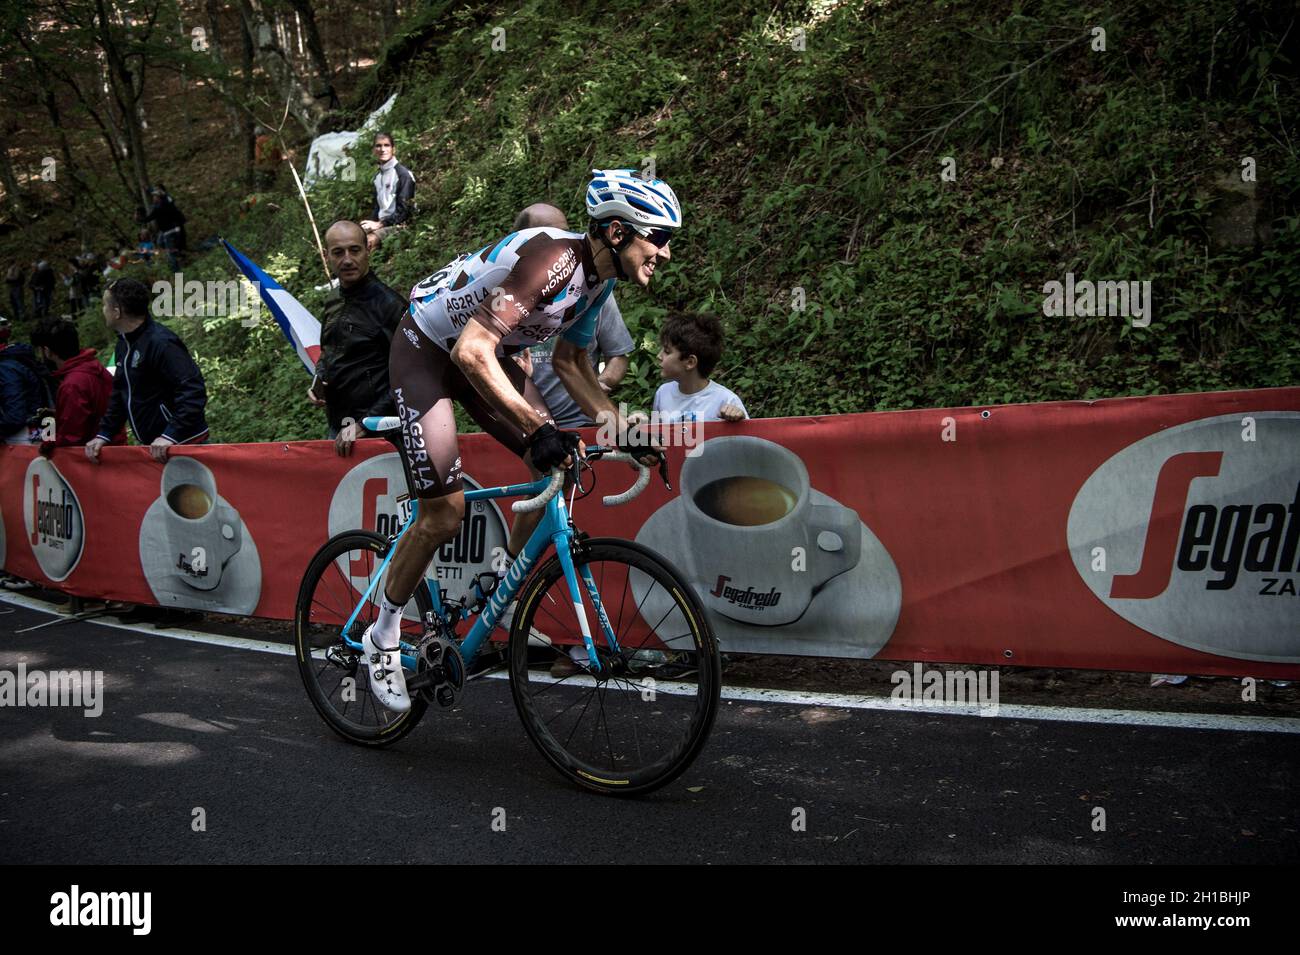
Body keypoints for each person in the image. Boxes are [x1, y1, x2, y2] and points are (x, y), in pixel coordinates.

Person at [362, 169, 679, 711]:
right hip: (429, 351)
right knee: (445, 513)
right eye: (661, 238)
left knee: (550, 471)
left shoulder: (597, 283)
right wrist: (538, 428)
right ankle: (382, 637)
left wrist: (625, 432)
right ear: (620, 233)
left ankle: (496, 582)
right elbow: (468, 352)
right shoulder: (553, 263)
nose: (667, 254)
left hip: (486, 355)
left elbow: (573, 363)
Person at [517, 204, 635, 428]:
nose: (562, 243)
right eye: (551, 236)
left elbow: (618, 356)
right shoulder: (511, 293)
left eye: (565, 234)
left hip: (585, 422)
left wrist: (597, 389)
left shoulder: (595, 289)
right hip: (527, 425)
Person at [307, 220, 406, 456]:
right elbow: (329, 351)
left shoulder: (390, 306)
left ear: (368, 249)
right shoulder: (333, 298)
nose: (348, 260)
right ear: (326, 256)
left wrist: (365, 424)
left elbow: (410, 374)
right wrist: (319, 378)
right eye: (338, 252)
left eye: (355, 250)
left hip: (381, 433)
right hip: (339, 427)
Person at [85, 278, 209, 463]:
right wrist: (104, 434)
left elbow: (193, 390)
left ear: (117, 312)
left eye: (104, 305)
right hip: (154, 448)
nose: (103, 310)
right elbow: (120, 392)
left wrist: (170, 434)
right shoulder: (123, 344)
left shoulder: (162, 343)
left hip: (183, 445)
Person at [30, 318, 125, 453]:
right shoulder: (94, 367)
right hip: (114, 450)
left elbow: (71, 437)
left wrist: (46, 439)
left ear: (47, 351)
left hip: (94, 460)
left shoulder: (73, 384)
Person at [653, 311, 747, 423]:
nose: (659, 356)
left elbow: (750, 439)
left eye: (667, 351)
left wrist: (739, 420)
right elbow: (656, 435)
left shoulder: (726, 400)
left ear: (690, 362)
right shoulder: (663, 393)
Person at [0, 318, 54, 445]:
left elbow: (16, 417)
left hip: (27, 438)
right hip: (46, 430)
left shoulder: (6, 367)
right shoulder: (22, 357)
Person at [358, 132, 415, 251]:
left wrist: (379, 225)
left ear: (393, 149)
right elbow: (377, 208)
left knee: (366, 243)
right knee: (352, 238)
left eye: (386, 145)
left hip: (399, 226)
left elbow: (405, 211)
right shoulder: (377, 178)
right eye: (378, 146)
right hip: (382, 225)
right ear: (374, 150)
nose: (382, 149)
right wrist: (371, 224)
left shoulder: (403, 175)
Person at [140, 185, 187, 272]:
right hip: (172, 228)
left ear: (158, 198)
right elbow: (163, 195)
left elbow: (148, 218)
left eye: (155, 196)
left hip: (170, 230)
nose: (153, 198)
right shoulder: (166, 202)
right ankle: (178, 253)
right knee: (160, 242)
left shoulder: (158, 208)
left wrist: (139, 219)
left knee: (171, 252)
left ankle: (176, 271)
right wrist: (149, 189)